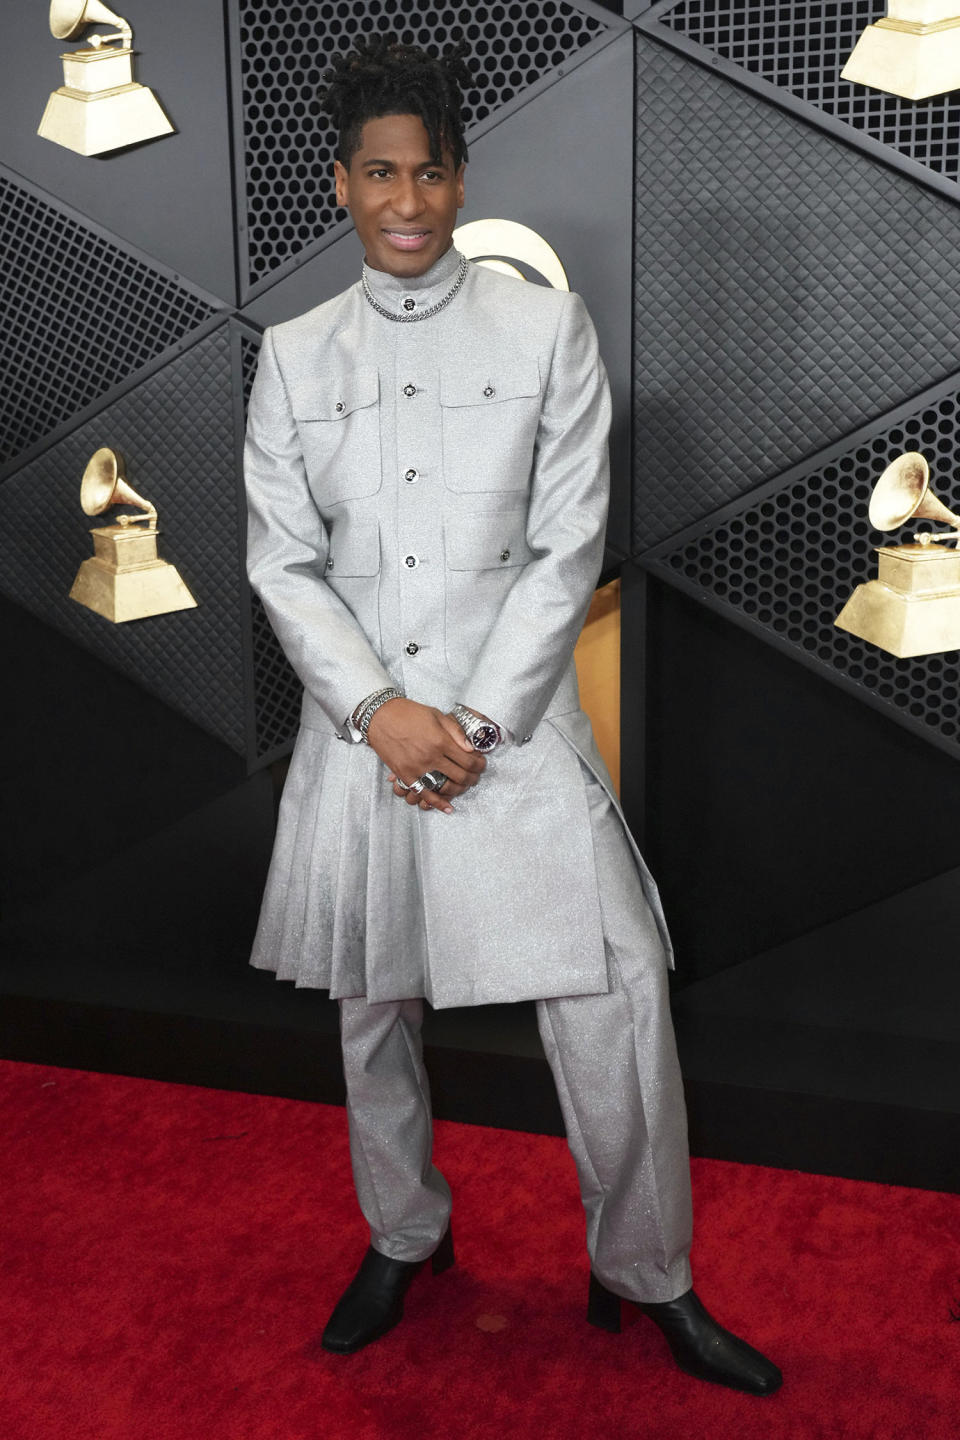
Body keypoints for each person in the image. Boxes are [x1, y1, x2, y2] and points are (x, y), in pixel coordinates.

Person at [243, 36, 781, 1397]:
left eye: (430, 172)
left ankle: (645, 1272)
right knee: (375, 1013)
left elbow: (567, 543)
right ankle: (403, 1235)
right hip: (364, 739)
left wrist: (469, 721)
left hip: (517, 732)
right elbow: (279, 562)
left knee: (616, 1001)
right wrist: (381, 712)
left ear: (461, 177)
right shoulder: (295, 355)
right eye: (381, 174)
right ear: (343, 183)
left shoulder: (547, 327)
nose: (408, 200)